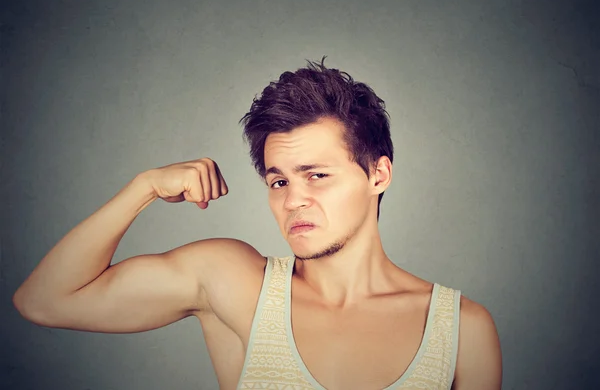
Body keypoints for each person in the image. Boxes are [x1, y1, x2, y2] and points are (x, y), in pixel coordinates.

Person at [13, 58, 502, 390]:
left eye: (316, 175)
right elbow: (43, 300)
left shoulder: (460, 330)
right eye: (278, 182)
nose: (294, 200)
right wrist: (143, 188)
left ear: (378, 174)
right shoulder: (234, 282)